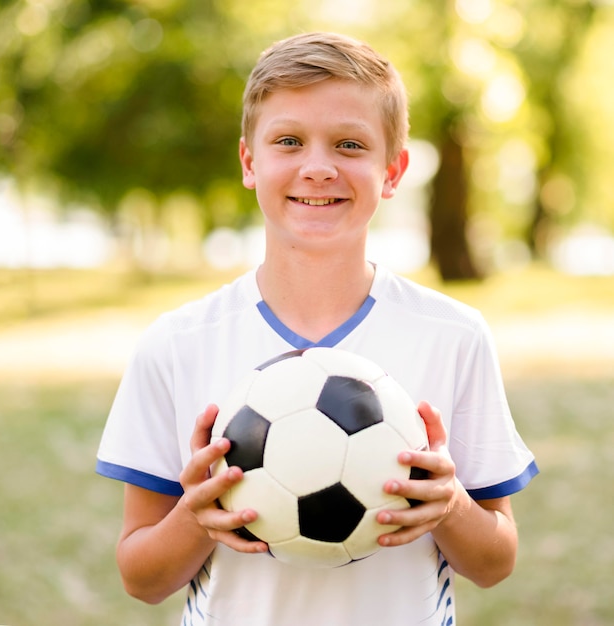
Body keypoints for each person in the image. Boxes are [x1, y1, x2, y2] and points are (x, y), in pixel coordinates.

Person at [96, 31, 538, 625]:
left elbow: (494, 562)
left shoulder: (453, 334)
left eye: (350, 144)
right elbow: (140, 579)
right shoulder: (177, 344)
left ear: (393, 170)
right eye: (288, 141)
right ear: (250, 162)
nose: (319, 167)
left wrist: (450, 507)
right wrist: (194, 518)